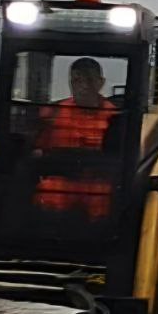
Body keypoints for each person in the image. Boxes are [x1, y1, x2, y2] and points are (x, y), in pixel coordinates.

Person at [35, 58, 118, 220]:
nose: (83, 86)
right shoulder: (54, 113)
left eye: (89, 80)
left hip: (96, 181)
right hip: (64, 180)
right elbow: (40, 149)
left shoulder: (115, 117)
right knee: (48, 190)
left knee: (104, 196)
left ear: (101, 83)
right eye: (77, 80)